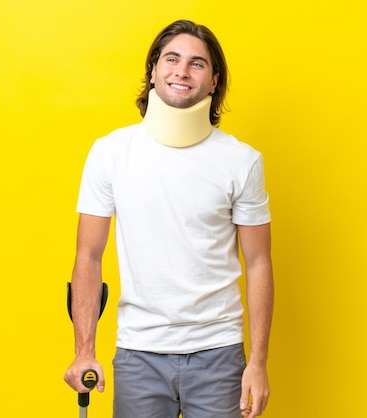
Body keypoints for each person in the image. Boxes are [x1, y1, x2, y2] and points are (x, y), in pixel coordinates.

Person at [64, 19, 274, 418]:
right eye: (172, 59)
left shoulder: (242, 161)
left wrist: (258, 363)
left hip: (218, 351)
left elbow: (259, 262)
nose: (181, 70)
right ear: (154, 71)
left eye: (197, 63)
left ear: (214, 81)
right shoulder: (110, 152)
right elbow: (88, 256)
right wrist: (84, 350)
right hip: (139, 351)